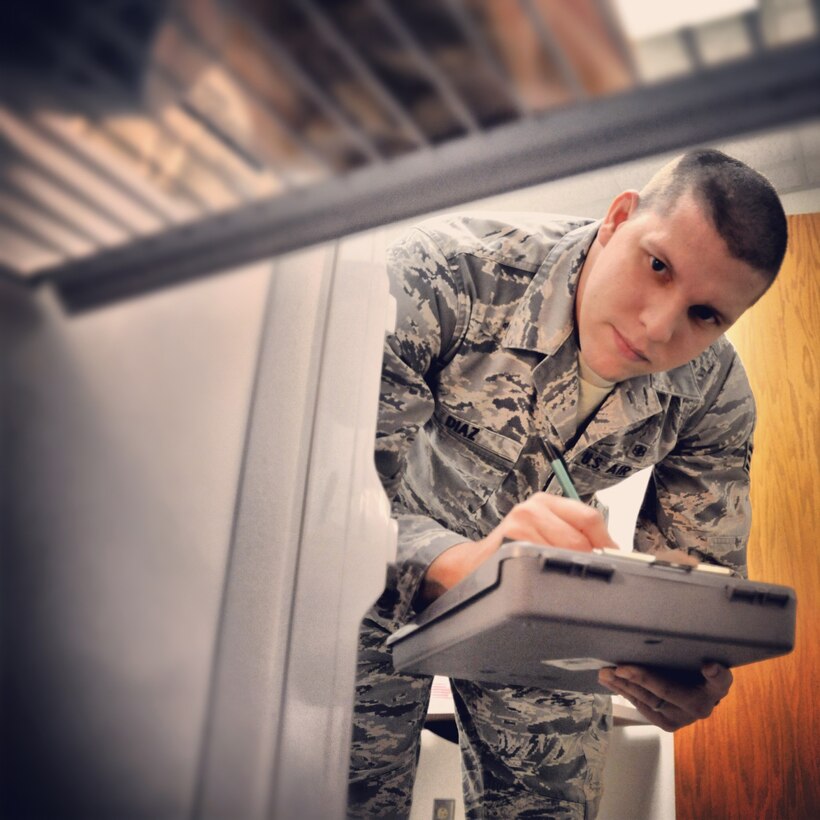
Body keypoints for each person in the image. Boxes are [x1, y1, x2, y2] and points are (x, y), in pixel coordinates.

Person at [347, 149, 788, 819]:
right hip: (367, 584)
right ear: (618, 218)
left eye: (707, 315)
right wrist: (467, 563)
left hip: (544, 613)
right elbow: (335, 500)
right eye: (658, 265)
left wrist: (684, 669)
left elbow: (695, 578)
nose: (658, 326)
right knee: (339, 794)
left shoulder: (714, 394)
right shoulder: (445, 272)